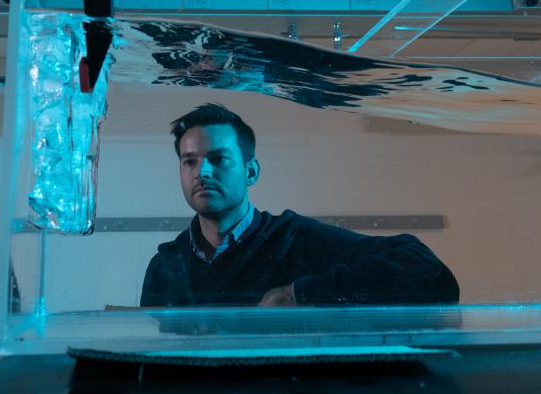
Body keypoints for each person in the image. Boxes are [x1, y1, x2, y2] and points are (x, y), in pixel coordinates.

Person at [140, 103, 460, 307]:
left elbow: (429, 272)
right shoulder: (166, 265)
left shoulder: (296, 240)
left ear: (251, 171)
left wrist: (300, 295)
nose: (202, 172)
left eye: (218, 158)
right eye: (189, 162)